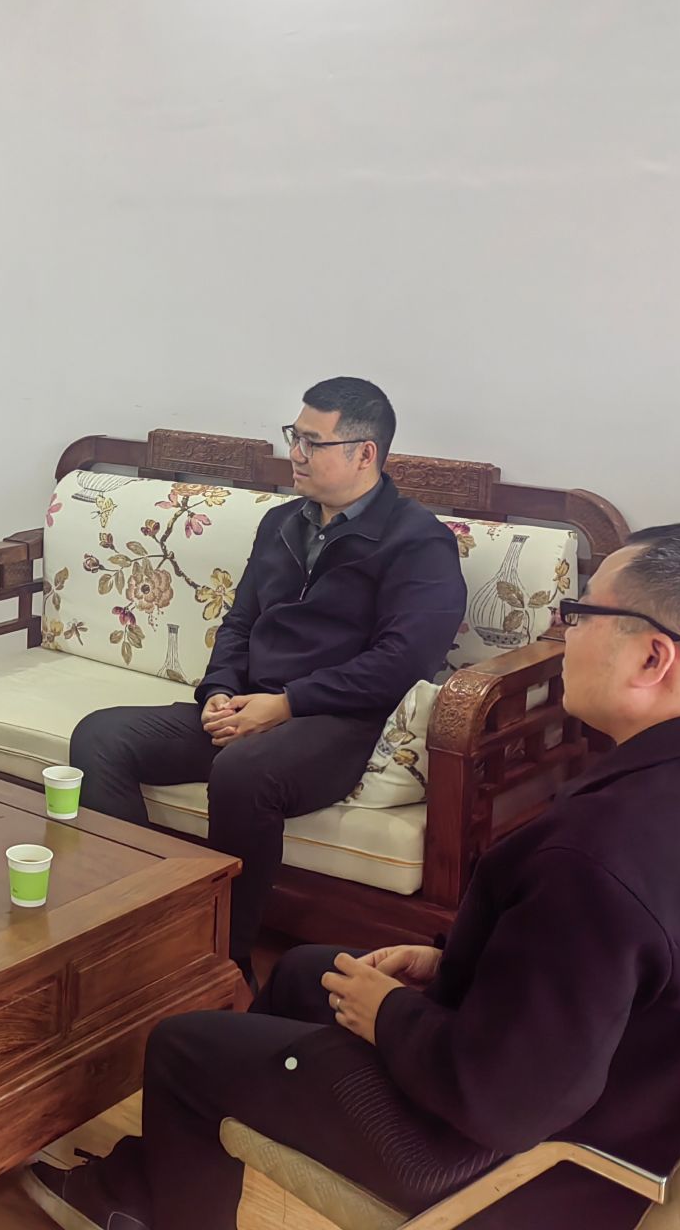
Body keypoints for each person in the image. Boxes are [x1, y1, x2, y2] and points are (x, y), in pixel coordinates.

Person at [27, 523, 680, 1230]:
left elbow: (498, 1100)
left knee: (186, 1046)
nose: (563, 634)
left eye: (580, 615)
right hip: (629, 1092)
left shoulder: (604, 855)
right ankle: (170, 1171)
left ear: (653, 658)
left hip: (524, 1167)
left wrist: (393, 1015)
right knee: (310, 972)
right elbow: (635, 973)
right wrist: (452, 964)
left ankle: (146, 1208)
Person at [68, 377, 467, 976]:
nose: (295, 455)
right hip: (250, 706)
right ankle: (146, 927)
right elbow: (240, 621)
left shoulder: (418, 542)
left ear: (365, 453)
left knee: (243, 773)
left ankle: (222, 963)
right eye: (293, 437)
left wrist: (286, 704)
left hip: (339, 723)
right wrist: (220, 691)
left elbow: (402, 661)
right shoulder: (282, 522)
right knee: (101, 738)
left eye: (312, 442)